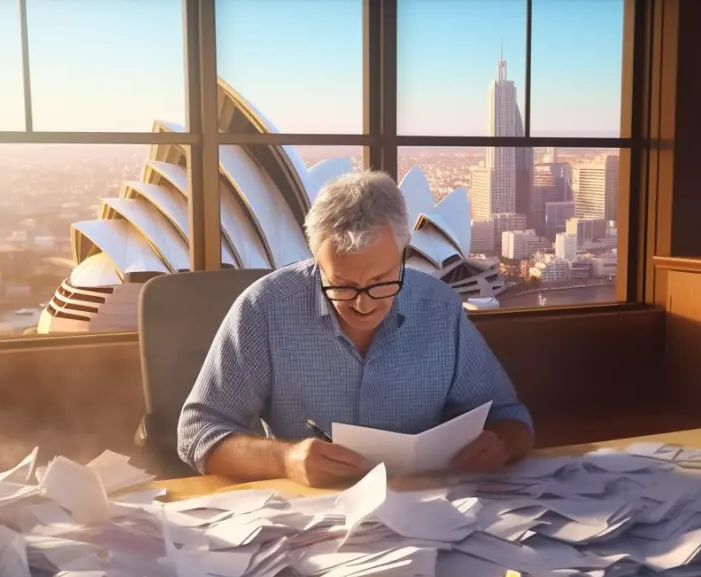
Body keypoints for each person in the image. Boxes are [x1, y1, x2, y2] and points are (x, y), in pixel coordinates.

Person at [177, 170, 534, 486]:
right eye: (342, 285)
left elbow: (511, 417)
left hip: (426, 510)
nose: (363, 304)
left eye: (381, 281)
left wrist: (499, 444)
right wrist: (284, 460)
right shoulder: (265, 308)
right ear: (316, 259)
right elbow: (198, 434)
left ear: (404, 251)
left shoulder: (439, 308)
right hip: (310, 516)